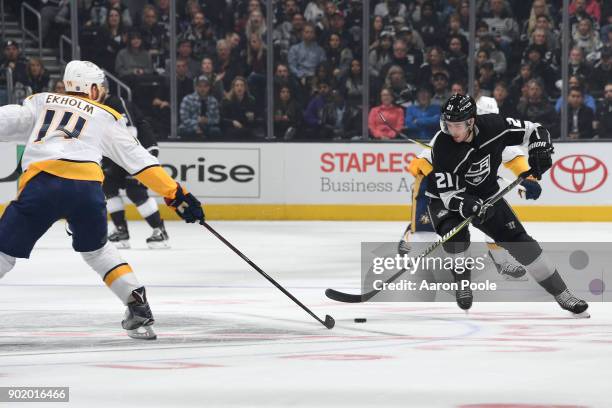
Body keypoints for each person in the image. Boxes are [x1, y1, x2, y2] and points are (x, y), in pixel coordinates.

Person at [0, 60, 205, 340]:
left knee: (3, 250)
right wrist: (178, 195)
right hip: (87, 189)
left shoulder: (40, 101)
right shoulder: (106, 115)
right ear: (93, 88)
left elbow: (7, 120)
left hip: (42, 184)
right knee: (97, 251)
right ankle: (137, 306)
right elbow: (141, 162)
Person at [424, 93, 588, 314]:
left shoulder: (495, 126)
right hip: (444, 199)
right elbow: (448, 195)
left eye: (457, 125)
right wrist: (469, 205)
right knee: (455, 236)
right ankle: (462, 282)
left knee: (522, 243)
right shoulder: (443, 145)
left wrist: (539, 148)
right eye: (448, 124)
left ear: (471, 121)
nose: (451, 130)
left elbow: (534, 129)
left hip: (486, 194)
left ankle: (563, 293)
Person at [102, 88, 169, 249]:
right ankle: (121, 231)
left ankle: (160, 231)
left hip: (141, 149)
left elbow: (131, 131)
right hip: (121, 154)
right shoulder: (96, 106)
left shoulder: (117, 102)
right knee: (108, 186)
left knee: (135, 191)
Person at [179, 75, 221, 139]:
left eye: (205, 86)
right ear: (196, 87)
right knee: (182, 130)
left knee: (216, 131)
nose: (202, 89)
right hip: (190, 127)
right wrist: (196, 124)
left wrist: (207, 121)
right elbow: (184, 118)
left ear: (209, 87)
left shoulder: (213, 100)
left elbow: (217, 119)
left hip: (208, 127)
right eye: (200, 86)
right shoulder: (187, 99)